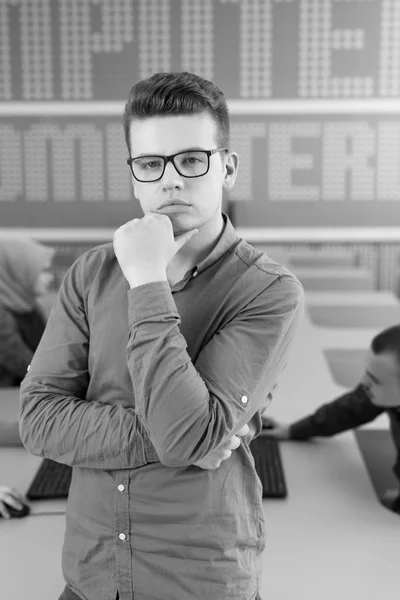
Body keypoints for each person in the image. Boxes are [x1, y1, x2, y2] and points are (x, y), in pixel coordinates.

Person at [19, 71, 304, 600]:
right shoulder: (91, 274)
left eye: (191, 160)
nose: (170, 181)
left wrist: (147, 281)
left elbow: (186, 436)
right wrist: (186, 438)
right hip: (90, 576)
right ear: (134, 177)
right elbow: (37, 421)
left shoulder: (268, 291)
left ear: (228, 167)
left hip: (197, 581)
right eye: (151, 164)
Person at [261, 324, 400, 515]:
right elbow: (350, 409)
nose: (364, 383)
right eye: (367, 373)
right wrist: (293, 430)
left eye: (375, 380)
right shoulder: (380, 393)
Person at [0, 238, 55, 387]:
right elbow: (18, 359)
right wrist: (55, 378)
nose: (50, 277)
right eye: (43, 271)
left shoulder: (29, 306)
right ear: (18, 271)